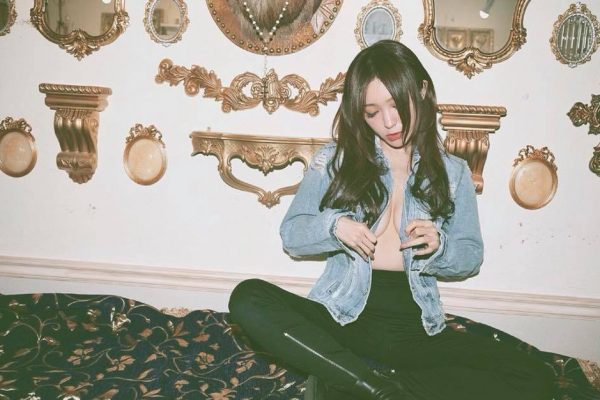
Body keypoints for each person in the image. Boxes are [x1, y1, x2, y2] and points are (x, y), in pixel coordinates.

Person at [228, 40, 554, 400]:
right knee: (247, 297)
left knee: (534, 376)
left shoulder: (454, 172)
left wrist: (440, 247)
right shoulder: (333, 160)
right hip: (343, 322)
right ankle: (372, 387)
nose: (388, 122)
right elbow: (292, 234)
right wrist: (335, 227)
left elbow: (470, 256)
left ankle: (355, 384)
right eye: (371, 112)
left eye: (397, 104)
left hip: (416, 335)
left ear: (422, 91)